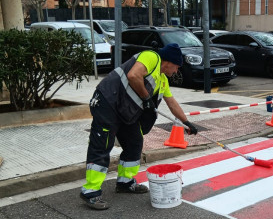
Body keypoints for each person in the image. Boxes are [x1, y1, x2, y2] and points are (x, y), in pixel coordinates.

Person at [80, 43, 198, 210]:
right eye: (177, 66)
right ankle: (90, 191)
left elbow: (171, 103)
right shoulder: (151, 57)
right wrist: (146, 98)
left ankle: (125, 182)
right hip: (108, 102)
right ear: (169, 62)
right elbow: (133, 75)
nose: (176, 71)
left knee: (134, 142)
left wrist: (185, 122)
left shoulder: (162, 80)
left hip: (124, 112)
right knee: (102, 145)